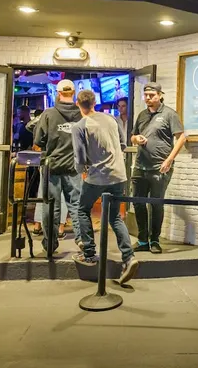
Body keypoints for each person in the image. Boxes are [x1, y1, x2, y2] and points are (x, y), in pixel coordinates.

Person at [70, 90, 139, 284]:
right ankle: (129, 257)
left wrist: (81, 169)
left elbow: (80, 158)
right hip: (119, 175)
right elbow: (124, 144)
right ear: (94, 102)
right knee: (115, 217)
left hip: (96, 178)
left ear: (78, 104)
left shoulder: (79, 126)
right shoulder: (111, 119)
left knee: (82, 209)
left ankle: (89, 254)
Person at [131, 82, 186, 254]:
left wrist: (169, 160)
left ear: (160, 95)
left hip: (160, 167)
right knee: (138, 203)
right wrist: (136, 139)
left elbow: (182, 137)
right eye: (146, 95)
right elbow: (132, 136)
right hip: (140, 165)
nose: (148, 98)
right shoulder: (141, 115)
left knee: (156, 204)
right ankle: (142, 240)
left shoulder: (169, 114)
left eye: (151, 95)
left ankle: (154, 240)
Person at [33, 80, 83, 253]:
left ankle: (50, 245)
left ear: (57, 92)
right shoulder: (83, 115)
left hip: (52, 167)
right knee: (77, 206)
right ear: (74, 92)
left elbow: (38, 140)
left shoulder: (48, 114)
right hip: (74, 168)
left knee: (50, 206)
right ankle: (83, 241)